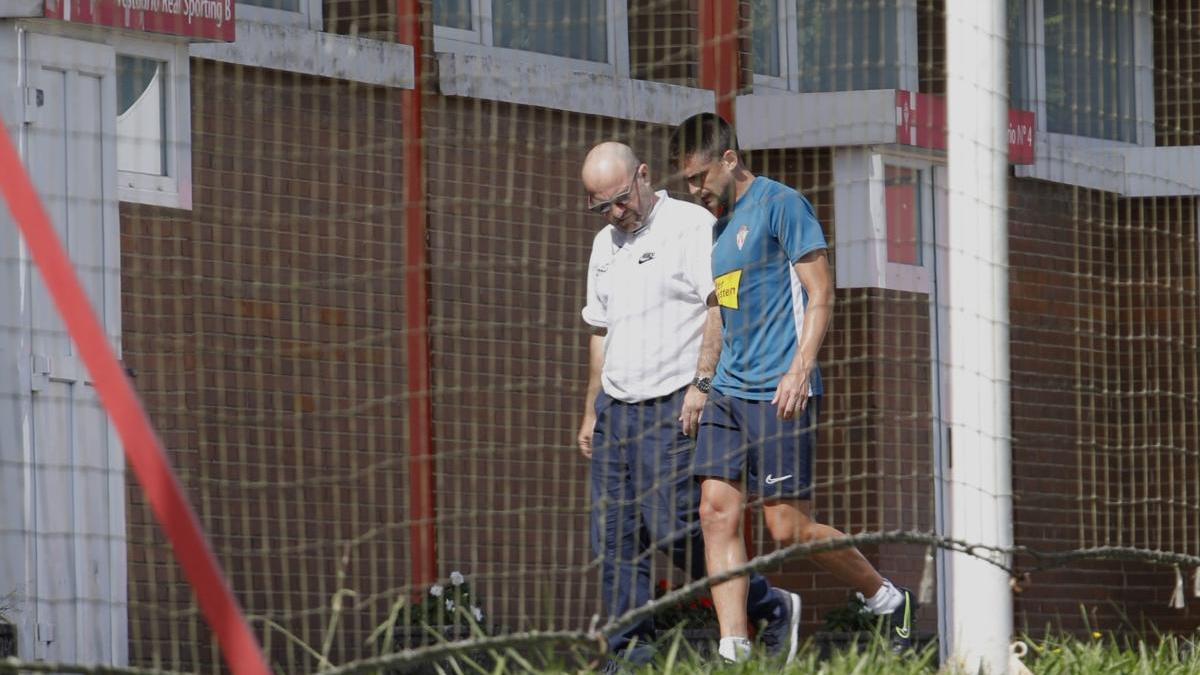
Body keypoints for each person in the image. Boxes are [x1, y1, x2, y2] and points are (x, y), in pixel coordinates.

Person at [667, 113, 917, 663]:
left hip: (780, 390)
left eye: (699, 176)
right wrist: (702, 384)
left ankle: (888, 599)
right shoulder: (716, 230)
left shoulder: (783, 205)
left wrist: (800, 369)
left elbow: (821, 293)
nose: (694, 189)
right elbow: (722, 313)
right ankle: (734, 651)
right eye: (685, 181)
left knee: (787, 527)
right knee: (715, 511)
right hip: (729, 390)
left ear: (729, 159)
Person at [577, 141, 802, 670]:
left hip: (674, 404)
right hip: (616, 408)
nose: (614, 213)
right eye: (600, 206)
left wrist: (703, 383)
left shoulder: (691, 226)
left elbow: (719, 305)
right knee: (613, 537)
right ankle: (629, 656)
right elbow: (599, 330)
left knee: (676, 528)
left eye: (619, 199)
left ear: (644, 176)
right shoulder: (604, 245)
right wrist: (591, 408)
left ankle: (767, 604)